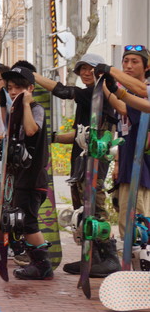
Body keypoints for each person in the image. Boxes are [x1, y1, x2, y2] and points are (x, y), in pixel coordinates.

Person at [33, 54, 120, 276]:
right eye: (81, 69)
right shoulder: (88, 98)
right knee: (82, 209)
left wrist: (33, 76)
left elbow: (62, 91)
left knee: (96, 206)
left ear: (100, 72)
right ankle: (91, 258)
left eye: (90, 68)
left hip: (96, 160)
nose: (85, 72)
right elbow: (79, 135)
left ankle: (109, 258)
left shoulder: (98, 92)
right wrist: (51, 137)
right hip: (81, 159)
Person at [1, 66, 54, 280]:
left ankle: (42, 265)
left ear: (30, 88)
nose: (13, 91)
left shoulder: (35, 109)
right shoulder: (17, 112)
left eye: (19, 87)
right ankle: (37, 262)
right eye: (10, 87)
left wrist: (25, 103)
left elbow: (32, 131)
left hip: (33, 179)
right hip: (20, 178)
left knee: (29, 221)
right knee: (22, 221)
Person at [100, 45, 150, 246]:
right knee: (125, 225)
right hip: (128, 167)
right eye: (125, 61)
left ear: (147, 67)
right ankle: (132, 269)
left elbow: (124, 107)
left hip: (142, 169)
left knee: (138, 226)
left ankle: (142, 272)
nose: (128, 66)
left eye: (135, 61)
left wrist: (107, 82)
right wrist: (119, 163)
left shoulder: (143, 92)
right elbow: (123, 130)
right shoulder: (128, 92)